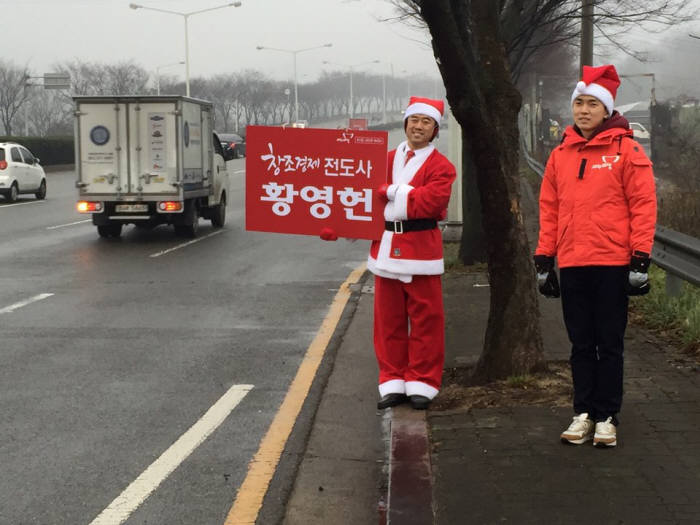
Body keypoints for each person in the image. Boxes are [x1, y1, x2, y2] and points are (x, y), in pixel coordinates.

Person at [534, 65, 657, 447]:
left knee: (610, 342)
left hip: (612, 263)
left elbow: (643, 205)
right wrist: (544, 259)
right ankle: (583, 412)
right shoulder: (560, 155)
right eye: (578, 103)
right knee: (580, 343)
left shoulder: (627, 150)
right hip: (572, 262)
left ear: (606, 110)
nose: (583, 110)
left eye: (591, 104)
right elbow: (549, 208)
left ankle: (608, 415)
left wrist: (639, 259)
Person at [368, 96, 456, 410]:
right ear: (406, 123)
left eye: (426, 122)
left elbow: (430, 204)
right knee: (387, 322)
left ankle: (423, 381)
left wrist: (390, 192)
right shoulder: (384, 158)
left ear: (434, 129)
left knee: (426, 320)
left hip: (421, 251)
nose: (418, 126)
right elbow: (365, 201)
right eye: (414, 120)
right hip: (386, 248)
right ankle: (391, 380)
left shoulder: (442, 167)